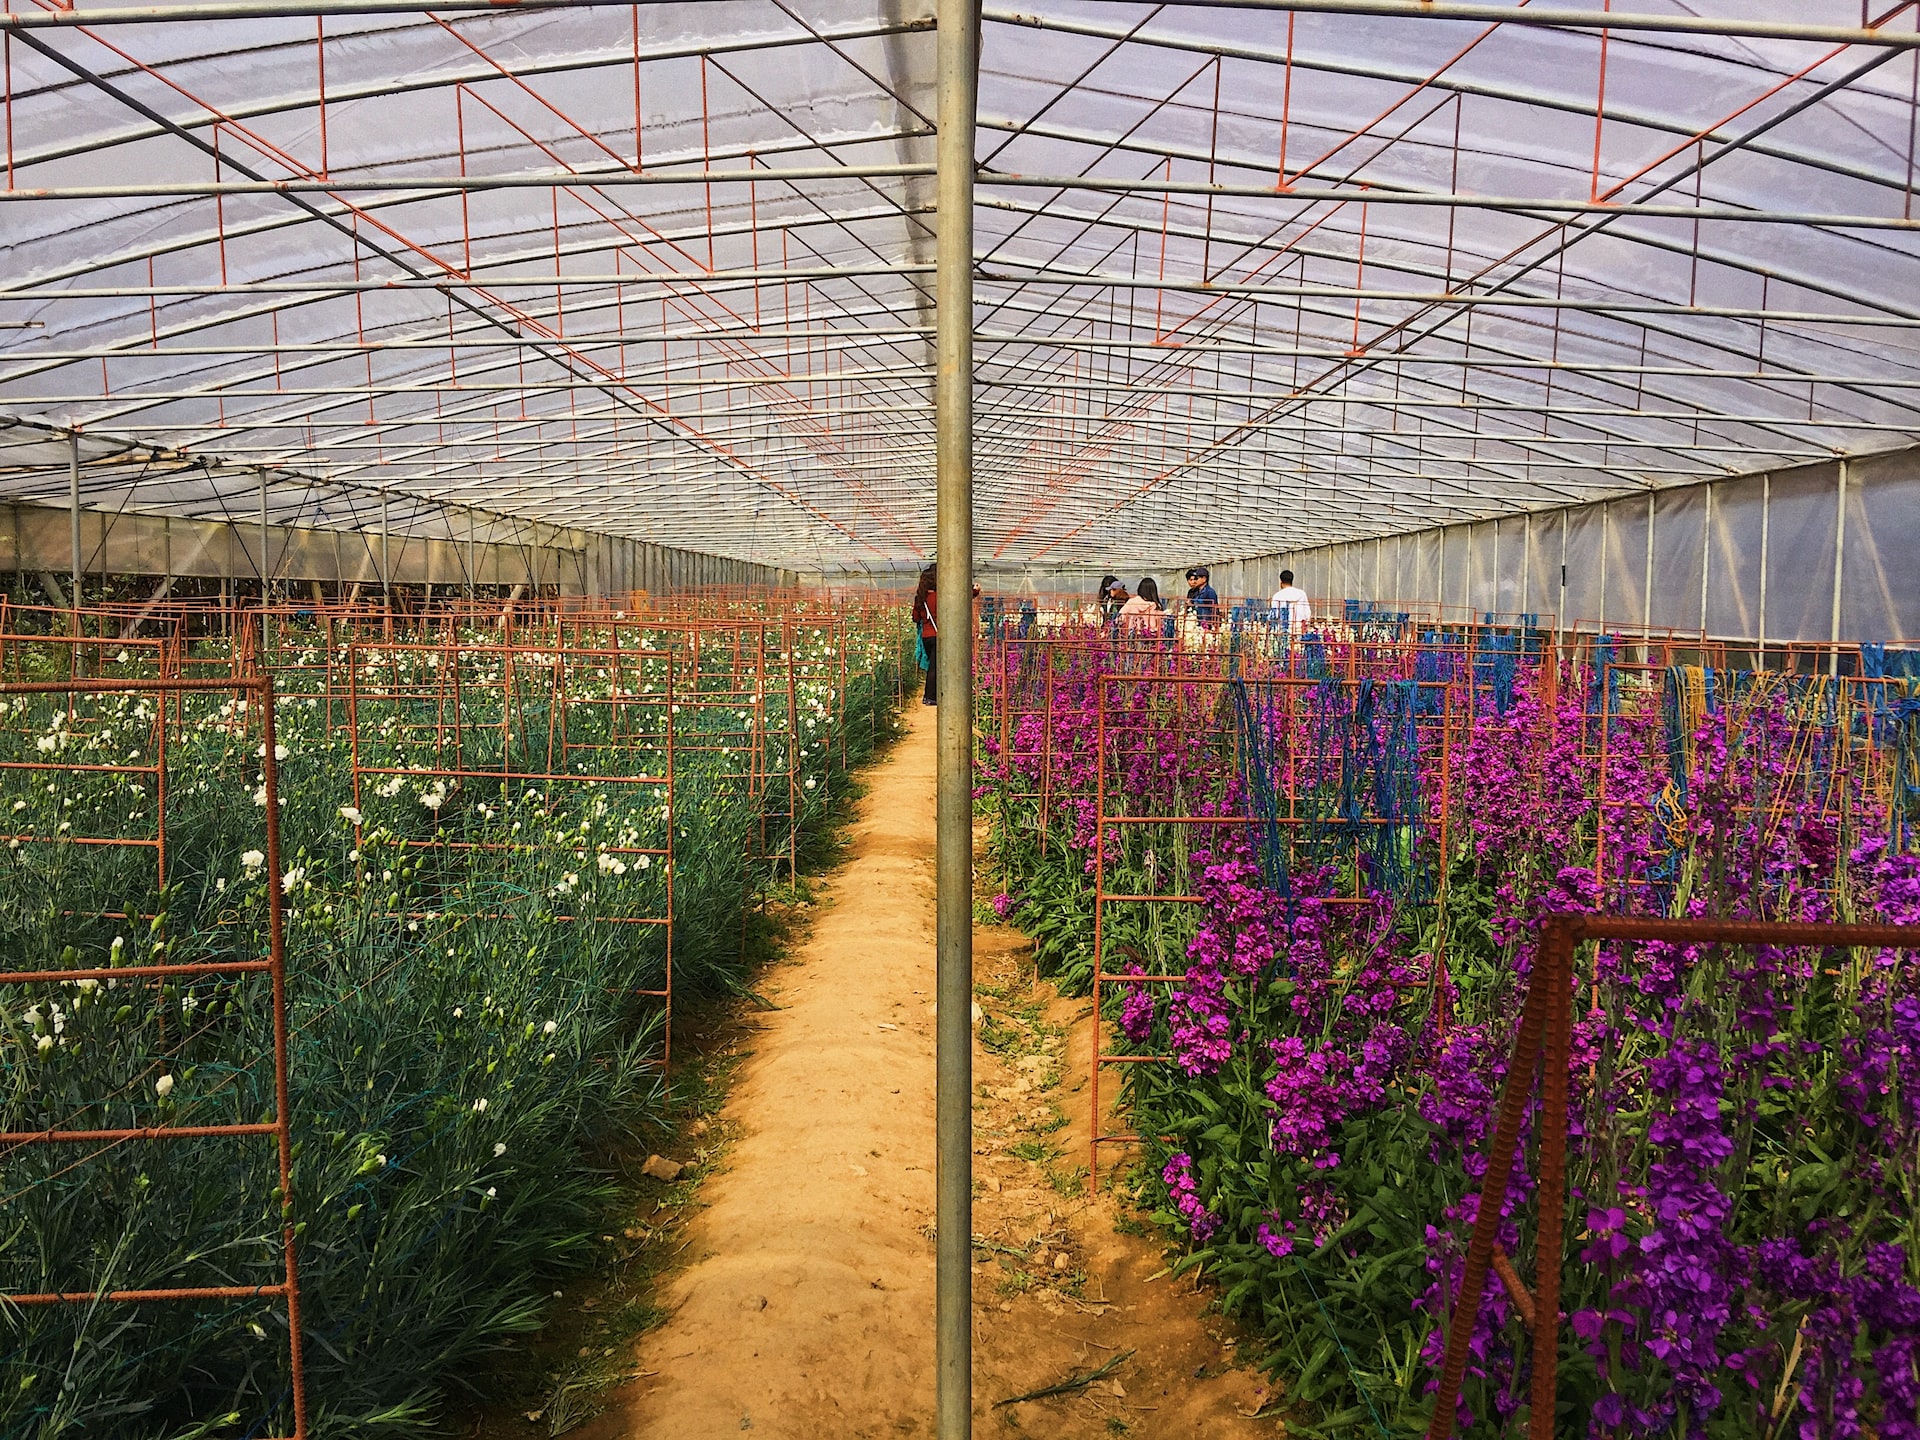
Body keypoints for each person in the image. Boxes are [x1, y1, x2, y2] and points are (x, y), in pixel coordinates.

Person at [911, 564, 939, 705]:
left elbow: (915, 618)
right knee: (935, 667)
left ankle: (933, 695)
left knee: (933, 666)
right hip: (937, 635)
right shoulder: (939, 597)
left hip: (926, 637)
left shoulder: (921, 598)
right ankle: (930, 696)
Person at [1184, 566, 1220, 630]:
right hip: (1198, 623)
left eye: (1197, 578)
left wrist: (1215, 625)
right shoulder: (1196, 592)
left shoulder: (1210, 592)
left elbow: (1214, 610)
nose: (1195, 581)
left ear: (1204, 579)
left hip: (1207, 624)